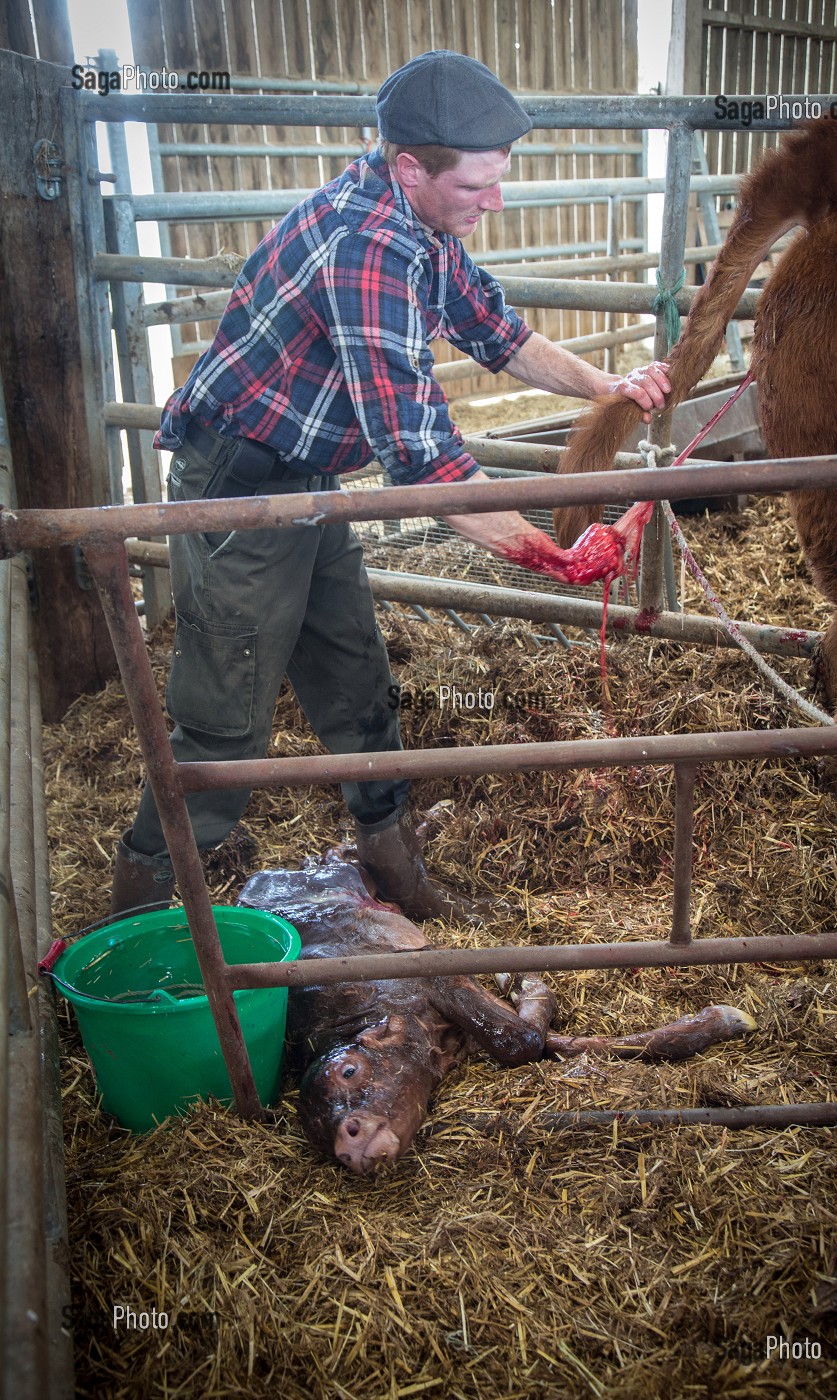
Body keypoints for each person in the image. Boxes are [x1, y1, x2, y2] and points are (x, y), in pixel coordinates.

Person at [109, 50, 670, 921]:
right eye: (478, 185)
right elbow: (420, 459)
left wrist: (606, 386)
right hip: (240, 490)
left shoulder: (422, 224)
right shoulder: (369, 246)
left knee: (356, 685)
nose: (497, 200)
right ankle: (140, 915)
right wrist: (552, 557)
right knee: (224, 721)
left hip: (310, 483)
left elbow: (499, 333)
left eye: (500, 178)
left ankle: (397, 874)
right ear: (411, 167)